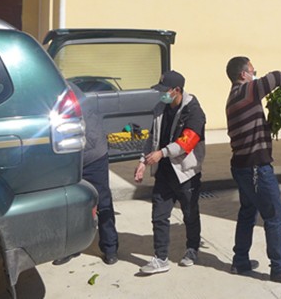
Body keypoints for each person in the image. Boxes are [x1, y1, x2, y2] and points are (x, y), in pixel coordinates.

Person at [224, 57, 281, 286]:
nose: (255, 74)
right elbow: (277, 76)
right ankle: (279, 268)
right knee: (276, 216)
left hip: (241, 165)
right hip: (255, 167)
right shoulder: (246, 91)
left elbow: (253, 127)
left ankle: (240, 261)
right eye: (253, 70)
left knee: (247, 212)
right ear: (243, 74)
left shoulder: (234, 97)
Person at [134, 70, 206, 275]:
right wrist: (143, 161)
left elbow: (186, 142)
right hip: (164, 172)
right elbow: (152, 138)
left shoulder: (194, 112)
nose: (162, 94)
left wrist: (162, 153)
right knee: (159, 216)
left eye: (165, 90)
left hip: (186, 172)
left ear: (177, 90)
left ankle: (192, 249)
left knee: (190, 214)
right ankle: (160, 258)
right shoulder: (160, 108)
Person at [53, 82, 119, 266]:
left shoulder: (63, 89)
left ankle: (110, 247)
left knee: (102, 202)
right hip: (67, 156)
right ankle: (72, 247)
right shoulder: (46, 90)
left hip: (91, 153)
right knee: (70, 204)